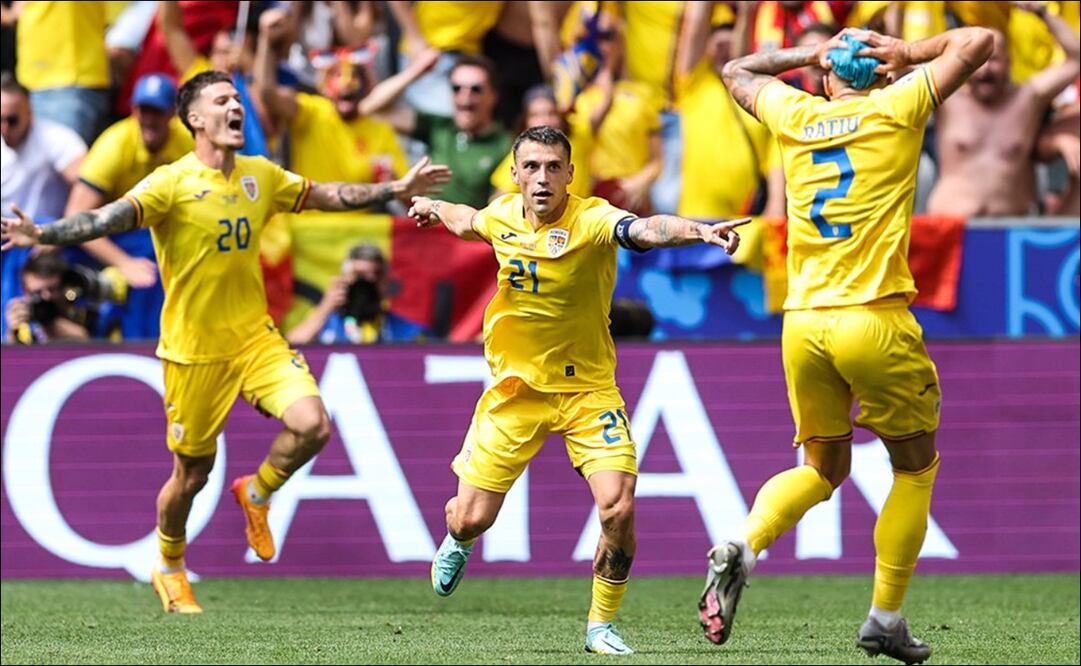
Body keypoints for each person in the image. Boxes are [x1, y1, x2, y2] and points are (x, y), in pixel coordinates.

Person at [1, 70, 450, 614]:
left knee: (313, 424)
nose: (236, 106)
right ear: (195, 119)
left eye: (237, 98)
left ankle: (257, 491)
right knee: (191, 476)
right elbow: (105, 217)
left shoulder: (261, 175)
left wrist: (394, 190)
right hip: (193, 354)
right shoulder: (171, 183)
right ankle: (169, 566)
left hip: (255, 339)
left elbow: (325, 194)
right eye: (222, 100)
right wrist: (44, 233)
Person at [708, 25, 994, 663]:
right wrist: (909, 52)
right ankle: (885, 618)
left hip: (804, 323)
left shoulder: (796, 113)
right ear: (883, 73)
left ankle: (744, 545)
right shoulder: (898, 104)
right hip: (873, 318)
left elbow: (736, 71)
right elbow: (979, 41)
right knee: (915, 468)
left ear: (824, 77)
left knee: (821, 468)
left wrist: (809, 52)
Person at [407, 125, 749, 655]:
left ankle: (600, 626)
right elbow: (466, 219)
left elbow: (645, 229)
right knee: (471, 517)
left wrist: (698, 232)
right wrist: (434, 206)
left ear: (570, 174)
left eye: (553, 167)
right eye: (532, 167)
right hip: (516, 391)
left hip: (588, 391)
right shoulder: (501, 215)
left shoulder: (592, 219)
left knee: (618, 507)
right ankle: (458, 539)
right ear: (515, 174)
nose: (542, 178)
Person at [64, 73, 194, 340]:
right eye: (143, 110)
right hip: (108, 235)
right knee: (36, 250)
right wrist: (123, 262)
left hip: (155, 238)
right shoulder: (115, 144)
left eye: (157, 111)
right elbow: (75, 217)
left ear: (172, 113)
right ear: (133, 110)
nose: (149, 119)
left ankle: (144, 345)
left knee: (154, 260)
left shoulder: (188, 145)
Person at [927, 1, 1080, 217]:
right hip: (950, 228)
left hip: (1011, 231)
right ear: (964, 65)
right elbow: (901, 68)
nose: (985, 69)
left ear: (1009, 62)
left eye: (994, 59)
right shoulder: (946, 97)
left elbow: (1076, 59)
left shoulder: (1028, 98)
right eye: (977, 61)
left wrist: (1040, 11)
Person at [286, 243, 426, 345]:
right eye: (360, 275)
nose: (367, 282)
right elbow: (291, 348)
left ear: (386, 282)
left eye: (376, 275)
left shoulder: (400, 328)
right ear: (344, 279)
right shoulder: (326, 320)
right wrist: (326, 305)